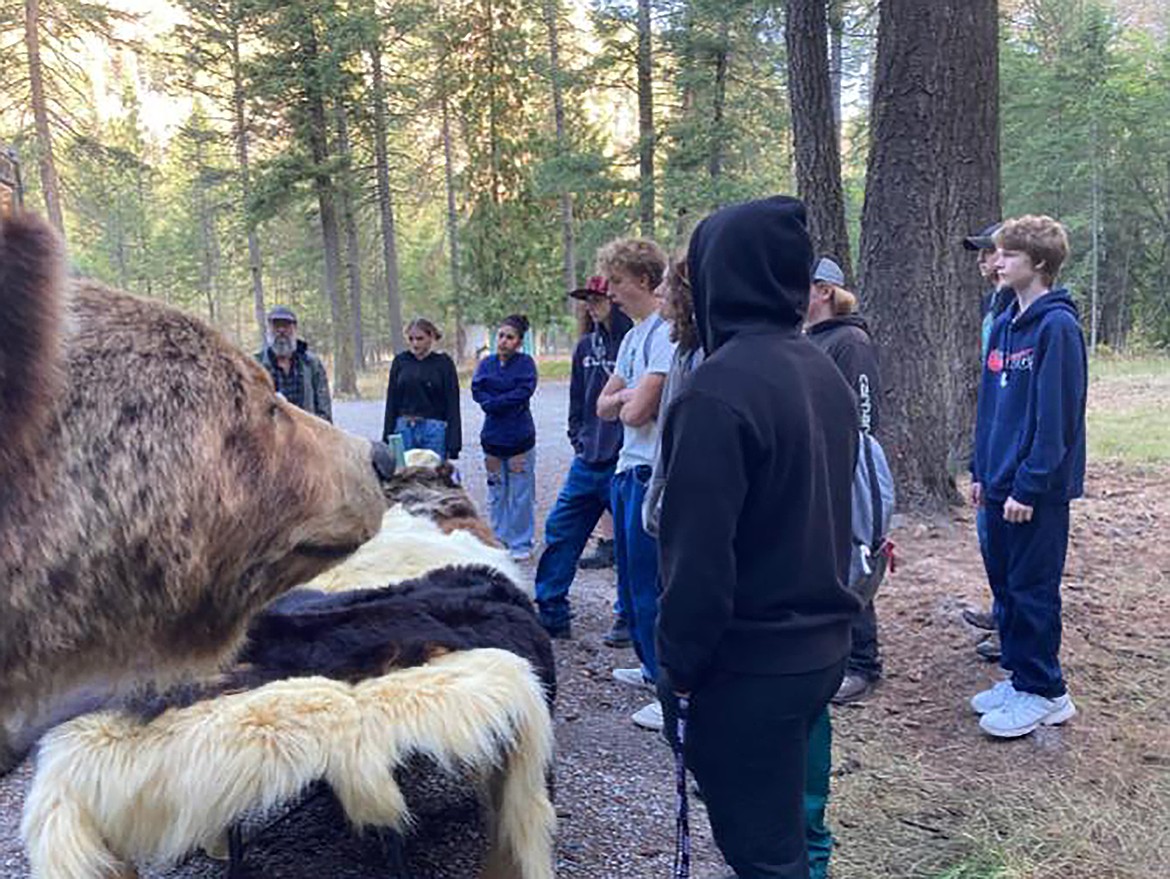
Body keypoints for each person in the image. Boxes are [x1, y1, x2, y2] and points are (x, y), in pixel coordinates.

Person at [656, 196, 859, 879]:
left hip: (752, 666)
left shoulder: (716, 392)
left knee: (764, 855)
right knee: (784, 840)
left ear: (723, 276)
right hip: (818, 651)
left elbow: (698, 564)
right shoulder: (819, 371)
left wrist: (678, 667)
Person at [969, 214, 1086, 739]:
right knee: (1007, 589)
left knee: (1032, 589)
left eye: (1008, 255)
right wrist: (980, 468)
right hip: (997, 485)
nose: (996, 263)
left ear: (1038, 263)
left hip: (1033, 493)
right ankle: (1020, 678)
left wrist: (1028, 485)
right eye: (996, 254)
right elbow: (990, 408)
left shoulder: (1056, 327)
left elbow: (1055, 418)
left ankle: (1047, 692)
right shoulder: (1006, 322)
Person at [595, 237, 673, 731]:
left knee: (651, 585)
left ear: (644, 280)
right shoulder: (630, 338)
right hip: (624, 470)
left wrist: (627, 399)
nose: (612, 293)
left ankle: (670, 689)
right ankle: (648, 669)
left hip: (651, 470)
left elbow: (640, 410)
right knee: (629, 580)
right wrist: (627, 398)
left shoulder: (665, 333)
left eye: (619, 282)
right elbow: (604, 407)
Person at [533, 276, 633, 639]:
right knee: (561, 529)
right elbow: (578, 400)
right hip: (587, 460)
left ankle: (627, 616)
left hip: (623, 462)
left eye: (597, 299)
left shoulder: (633, 343)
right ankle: (551, 611)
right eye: (586, 300)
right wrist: (578, 437)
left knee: (628, 543)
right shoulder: (584, 346)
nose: (590, 306)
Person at [805, 257, 885, 704]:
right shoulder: (809, 341)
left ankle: (863, 664)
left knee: (855, 562)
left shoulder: (850, 341)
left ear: (823, 291)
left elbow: (865, 415)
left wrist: (847, 466)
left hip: (846, 472)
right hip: (815, 471)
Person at [962, 223, 1016, 663]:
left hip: (1012, 447)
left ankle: (1011, 627)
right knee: (988, 535)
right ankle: (1002, 612)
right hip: (991, 436)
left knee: (1008, 542)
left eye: (990, 252)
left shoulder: (1026, 308)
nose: (983, 261)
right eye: (981, 254)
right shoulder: (994, 304)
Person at [472, 314, 538, 561]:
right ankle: (499, 539)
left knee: (521, 492)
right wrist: (494, 401)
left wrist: (495, 401)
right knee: (497, 490)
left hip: (520, 437)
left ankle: (521, 543)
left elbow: (523, 391)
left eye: (510, 337)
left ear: (519, 341)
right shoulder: (486, 364)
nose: (503, 341)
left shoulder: (526, 364)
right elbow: (478, 389)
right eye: (501, 336)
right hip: (492, 438)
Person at [381, 317, 462, 460]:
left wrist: (454, 442)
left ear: (431, 337)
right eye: (411, 339)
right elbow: (392, 401)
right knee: (404, 476)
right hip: (404, 428)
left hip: (434, 428)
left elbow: (452, 403)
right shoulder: (401, 361)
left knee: (432, 477)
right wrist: (387, 436)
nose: (415, 343)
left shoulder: (443, 363)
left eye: (420, 339)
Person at [255, 305, 332, 422]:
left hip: (307, 433)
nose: (281, 330)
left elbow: (324, 409)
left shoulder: (311, 364)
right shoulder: (255, 365)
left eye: (286, 325)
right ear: (268, 329)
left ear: (295, 328)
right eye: (276, 326)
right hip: (271, 434)